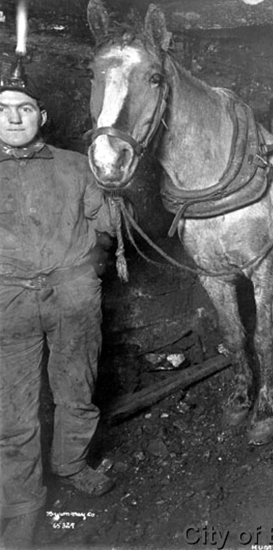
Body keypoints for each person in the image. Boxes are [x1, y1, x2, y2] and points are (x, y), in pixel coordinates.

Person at [0, 59, 117, 548]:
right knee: (12, 407)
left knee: (76, 388)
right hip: (8, 300)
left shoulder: (75, 165)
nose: (14, 118)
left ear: (42, 115)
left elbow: (106, 226)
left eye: (25, 108)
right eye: (3, 109)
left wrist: (90, 270)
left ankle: (71, 464)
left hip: (72, 294)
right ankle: (22, 503)